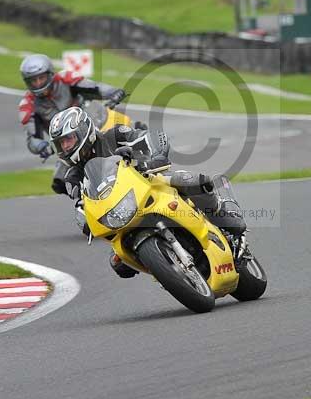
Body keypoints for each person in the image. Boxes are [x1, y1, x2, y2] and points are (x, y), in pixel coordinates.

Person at [47, 106, 247, 279]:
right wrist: (84, 218)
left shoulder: (113, 135)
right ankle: (167, 268)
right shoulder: (72, 176)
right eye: (61, 143)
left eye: (68, 139)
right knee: (118, 264)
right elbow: (82, 202)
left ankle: (227, 219)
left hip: (150, 181)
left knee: (194, 182)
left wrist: (156, 157)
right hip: (121, 210)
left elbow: (151, 136)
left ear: (84, 130)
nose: (66, 146)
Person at [17, 54, 126, 161]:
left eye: (41, 78)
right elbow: (32, 138)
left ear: (50, 74)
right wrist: (42, 147)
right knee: (62, 173)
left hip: (95, 126)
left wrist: (113, 92)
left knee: (126, 130)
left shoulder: (65, 78)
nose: (38, 83)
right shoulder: (27, 104)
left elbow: (94, 87)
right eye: (33, 80)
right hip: (68, 146)